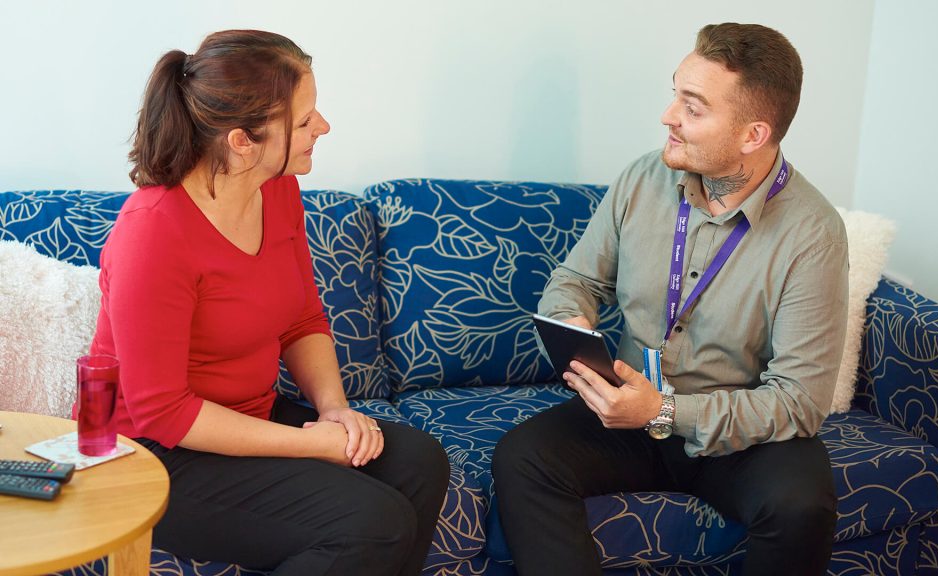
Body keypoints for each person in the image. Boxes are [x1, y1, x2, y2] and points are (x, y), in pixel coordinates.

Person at [85, 30, 449, 576]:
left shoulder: (275, 190)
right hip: (151, 454)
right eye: (304, 121)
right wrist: (314, 447)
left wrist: (334, 411)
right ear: (242, 141)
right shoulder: (153, 235)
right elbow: (163, 412)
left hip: (244, 416)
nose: (322, 127)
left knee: (420, 463)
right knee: (373, 521)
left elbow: (303, 317)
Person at [492, 23, 848, 576]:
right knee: (523, 458)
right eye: (674, 93)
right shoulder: (642, 178)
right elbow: (577, 279)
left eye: (693, 106)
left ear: (753, 135)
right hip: (628, 415)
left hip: (738, 431)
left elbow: (799, 401)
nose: (668, 116)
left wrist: (664, 409)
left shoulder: (813, 234)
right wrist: (572, 322)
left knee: (801, 507)